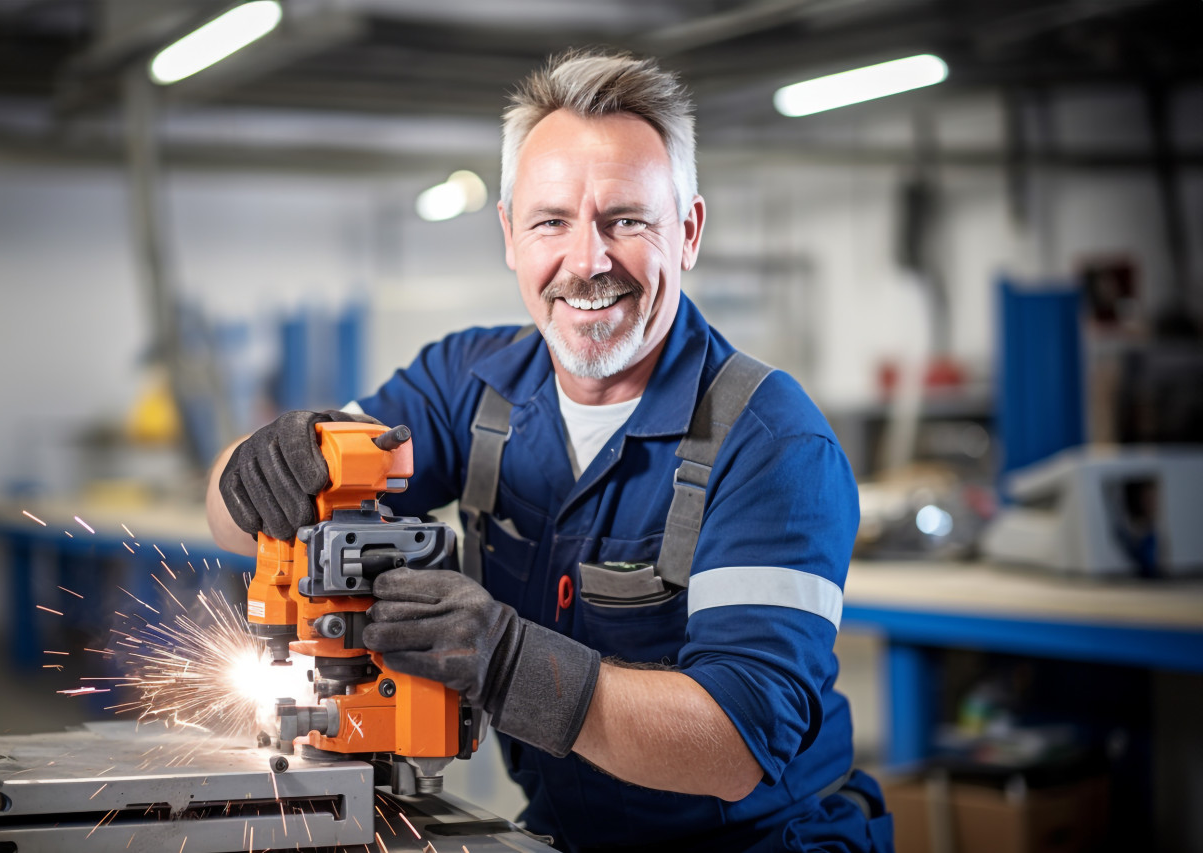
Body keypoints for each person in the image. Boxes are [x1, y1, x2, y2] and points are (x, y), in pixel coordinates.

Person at [207, 49, 893, 853]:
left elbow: (738, 745)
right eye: (551, 221)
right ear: (509, 234)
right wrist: (257, 467)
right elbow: (231, 516)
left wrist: (508, 664)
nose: (587, 261)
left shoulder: (773, 444)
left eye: (626, 220)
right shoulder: (469, 383)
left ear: (690, 231)